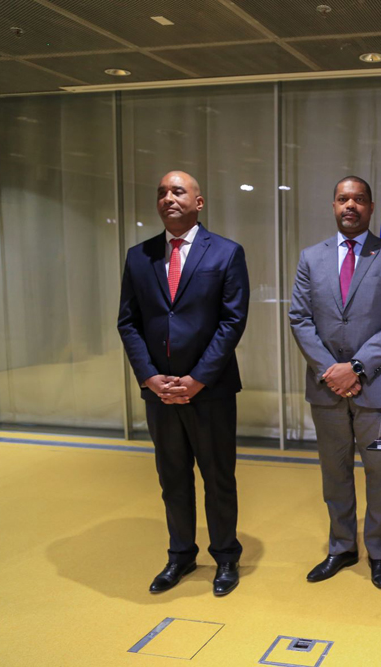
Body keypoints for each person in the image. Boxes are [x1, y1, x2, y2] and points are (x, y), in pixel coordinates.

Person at [117, 171, 249, 596]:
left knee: (217, 476)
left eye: (178, 191)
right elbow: (128, 322)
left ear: (199, 201)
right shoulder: (140, 256)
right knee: (172, 476)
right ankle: (181, 555)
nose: (168, 198)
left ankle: (225, 556)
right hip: (160, 392)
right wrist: (151, 377)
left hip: (210, 390)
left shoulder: (226, 253)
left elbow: (232, 322)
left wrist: (196, 379)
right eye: (161, 193)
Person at [289, 175, 381, 590]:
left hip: (376, 387)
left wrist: (355, 368)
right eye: (343, 198)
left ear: (371, 207)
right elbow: (300, 319)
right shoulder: (311, 258)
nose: (350, 205)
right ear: (333, 204)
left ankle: (379, 552)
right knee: (335, 472)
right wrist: (332, 371)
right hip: (326, 388)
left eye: (359, 199)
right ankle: (342, 547)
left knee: (379, 475)